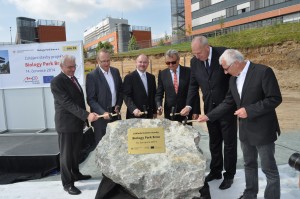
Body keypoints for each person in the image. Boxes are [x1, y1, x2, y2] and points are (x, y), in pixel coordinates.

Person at [198, 49, 282, 199]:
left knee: (269, 170)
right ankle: (250, 194)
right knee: (249, 164)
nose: (224, 72)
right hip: (245, 131)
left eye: (225, 68)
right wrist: (209, 116)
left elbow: (274, 98)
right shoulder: (233, 79)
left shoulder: (263, 72)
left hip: (263, 131)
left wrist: (249, 110)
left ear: (236, 63)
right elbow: (228, 102)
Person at [180, 36, 237, 190]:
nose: (196, 56)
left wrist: (231, 102)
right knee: (214, 141)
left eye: (198, 53)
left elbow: (234, 79)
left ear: (207, 47)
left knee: (229, 144)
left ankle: (229, 175)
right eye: (194, 54)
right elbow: (193, 85)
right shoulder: (194, 62)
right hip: (209, 108)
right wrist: (189, 106)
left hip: (227, 108)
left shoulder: (224, 53)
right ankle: (216, 170)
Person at [50, 55, 98, 195]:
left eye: (74, 66)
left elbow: (79, 102)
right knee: (66, 156)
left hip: (77, 124)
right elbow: (67, 104)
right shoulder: (57, 82)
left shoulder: (73, 78)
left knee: (76, 152)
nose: (72, 69)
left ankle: (76, 174)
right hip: (65, 125)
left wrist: (85, 117)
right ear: (61, 67)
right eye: (69, 67)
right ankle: (67, 183)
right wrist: (86, 115)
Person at [86, 49, 123, 145]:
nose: (106, 63)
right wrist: (103, 112)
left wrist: (118, 105)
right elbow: (91, 99)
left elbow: (120, 91)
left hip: (115, 116)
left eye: (108, 60)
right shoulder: (92, 76)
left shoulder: (115, 71)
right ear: (98, 61)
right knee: (102, 148)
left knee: (116, 145)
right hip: (101, 120)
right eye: (103, 61)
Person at [155, 49, 200, 123]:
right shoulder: (162, 74)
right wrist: (159, 105)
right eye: (168, 63)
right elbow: (159, 94)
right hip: (169, 112)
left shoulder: (188, 72)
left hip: (186, 111)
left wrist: (196, 111)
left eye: (173, 62)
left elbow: (194, 92)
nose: (170, 65)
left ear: (178, 60)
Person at [123, 54, 157, 119]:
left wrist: (154, 111)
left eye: (145, 62)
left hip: (148, 115)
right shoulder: (129, 77)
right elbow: (126, 96)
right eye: (140, 62)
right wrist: (133, 109)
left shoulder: (151, 77)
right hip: (135, 115)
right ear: (136, 63)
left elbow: (153, 96)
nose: (142, 64)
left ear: (148, 63)